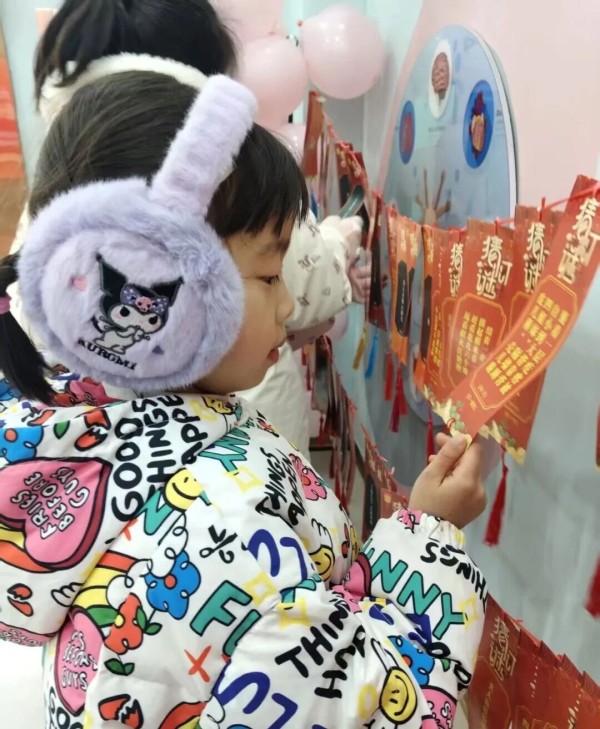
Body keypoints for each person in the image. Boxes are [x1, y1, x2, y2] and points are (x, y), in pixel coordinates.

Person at [0, 71, 487, 728]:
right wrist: (430, 539)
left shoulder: (82, 425)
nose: (287, 304)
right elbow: (380, 709)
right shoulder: (217, 532)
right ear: (159, 294)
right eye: (267, 274)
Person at [8, 0, 370, 457]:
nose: (282, 299)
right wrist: (342, 239)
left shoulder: (62, 181)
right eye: (269, 278)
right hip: (235, 429)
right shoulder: (218, 176)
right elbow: (312, 277)